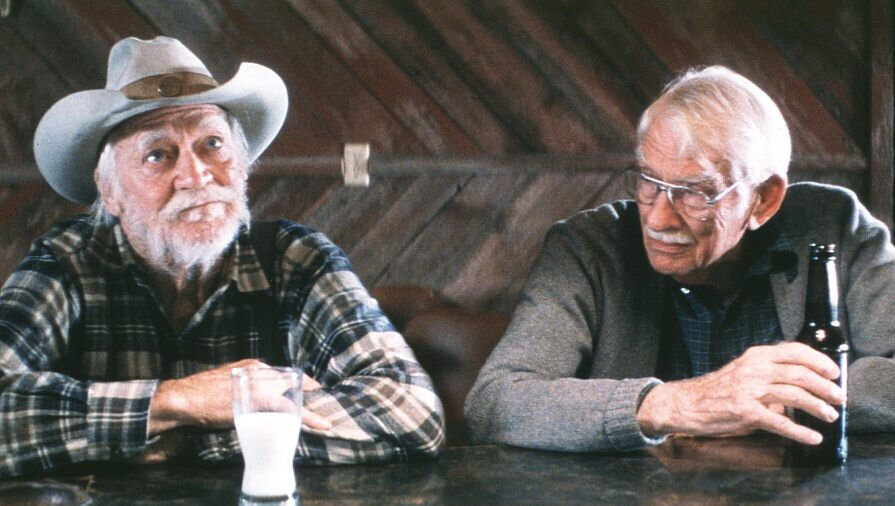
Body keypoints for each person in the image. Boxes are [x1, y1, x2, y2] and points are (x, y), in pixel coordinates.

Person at [0, 36, 444, 477]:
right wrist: (179, 400)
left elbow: (411, 411)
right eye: (158, 155)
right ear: (110, 191)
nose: (196, 176)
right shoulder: (66, 262)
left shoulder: (297, 259)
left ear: (242, 166)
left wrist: (184, 440)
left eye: (212, 144)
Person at [465, 65, 895, 452]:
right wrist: (680, 404)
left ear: (763, 200)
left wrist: (773, 399)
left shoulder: (833, 227)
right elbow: (496, 402)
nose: (657, 219)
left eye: (695, 193)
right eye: (648, 181)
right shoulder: (587, 248)